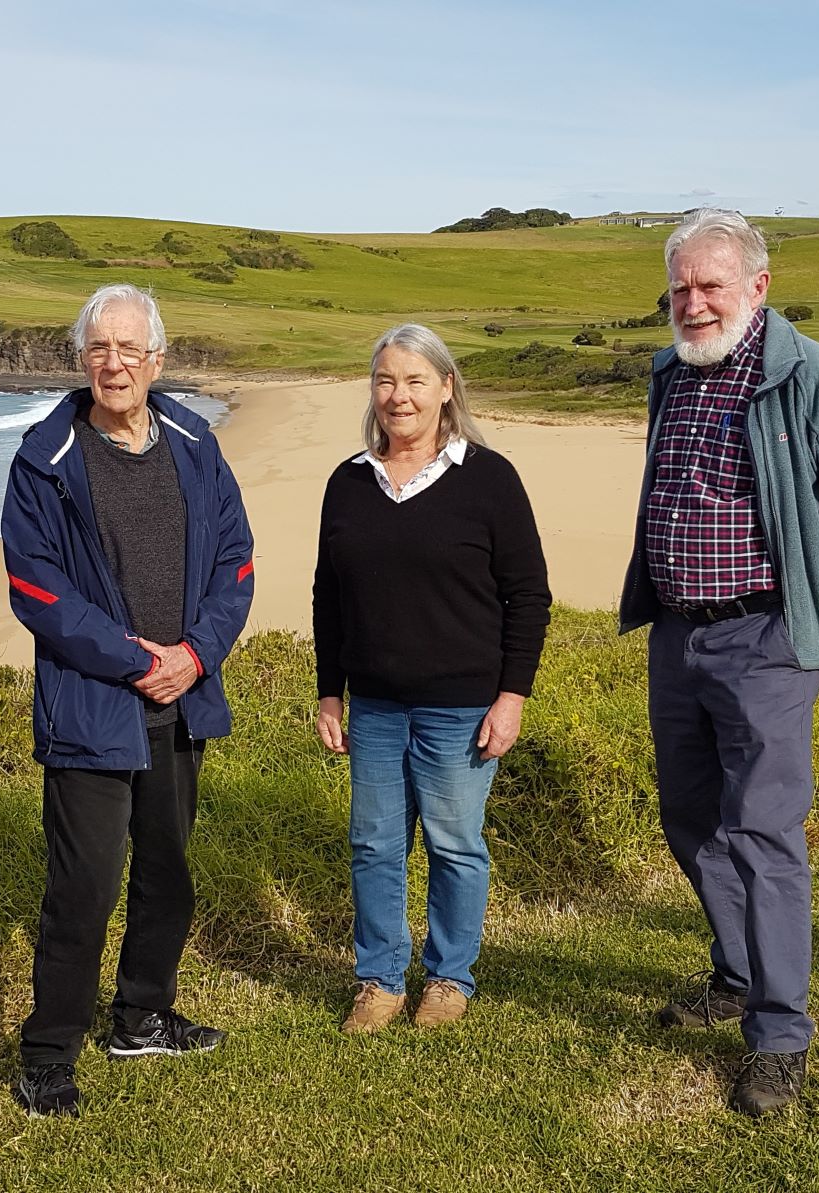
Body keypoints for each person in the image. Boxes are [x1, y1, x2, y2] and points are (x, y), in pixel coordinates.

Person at [618, 209, 819, 1115]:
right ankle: (736, 973)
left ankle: (779, 1033)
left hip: (766, 641)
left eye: (711, 285)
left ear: (757, 287)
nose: (694, 304)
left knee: (767, 834)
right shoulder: (671, 370)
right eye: (681, 288)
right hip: (678, 635)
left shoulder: (811, 377)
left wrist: (818, 632)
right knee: (689, 813)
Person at [1, 284, 254, 1116]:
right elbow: (33, 588)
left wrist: (196, 655)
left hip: (181, 699)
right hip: (92, 705)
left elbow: (236, 561)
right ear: (83, 358)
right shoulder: (44, 456)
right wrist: (131, 659)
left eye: (129, 349)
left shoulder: (193, 440)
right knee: (84, 887)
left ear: (157, 359)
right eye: (99, 348)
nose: (114, 363)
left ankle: (142, 1014)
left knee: (168, 872)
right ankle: (48, 1051)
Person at [313, 323, 551, 1033]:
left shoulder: (489, 477)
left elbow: (528, 595)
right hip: (378, 705)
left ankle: (449, 977)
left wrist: (511, 696)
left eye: (416, 380)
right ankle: (381, 980)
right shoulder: (349, 481)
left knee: (455, 843)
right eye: (386, 380)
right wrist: (330, 688)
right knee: (374, 845)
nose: (399, 395)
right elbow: (330, 593)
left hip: (461, 705)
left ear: (447, 388)